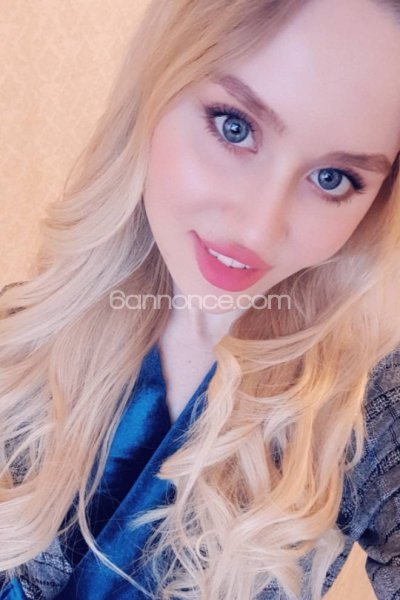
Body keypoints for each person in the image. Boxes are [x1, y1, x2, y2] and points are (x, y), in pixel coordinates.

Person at [0, 0, 399, 598]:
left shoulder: (367, 407)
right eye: (235, 127)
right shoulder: (23, 330)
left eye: (332, 178)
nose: (259, 229)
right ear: (157, 87)